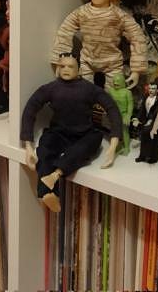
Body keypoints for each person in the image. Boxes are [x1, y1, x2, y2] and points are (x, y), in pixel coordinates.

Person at [21, 54, 122, 213]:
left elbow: (112, 108)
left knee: (88, 144)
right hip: (58, 133)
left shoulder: (89, 89)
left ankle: (55, 175)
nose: (66, 69)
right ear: (57, 69)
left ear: (79, 70)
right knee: (44, 151)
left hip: (84, 134)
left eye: (71, 66)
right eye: (62, 66)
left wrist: (114, 143)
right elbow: (30, 108)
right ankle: (48, 193)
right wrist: (28, 144)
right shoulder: (51, 88)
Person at [51, 0, 148, 88]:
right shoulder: (82, 12)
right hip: (87, 60)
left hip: (112, 62)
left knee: (114, 93)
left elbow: (137, 36)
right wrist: (61, 60)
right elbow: (65, 30)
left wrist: (136, 69)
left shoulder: (118, 15)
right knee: (84, 90)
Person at [133, 82, 158, 163]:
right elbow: (142, 109)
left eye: (153, 89)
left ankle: (153, 158)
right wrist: (137, 118)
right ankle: (142, 156)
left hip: (156, 122)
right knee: (144, 138)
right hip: (145, 121)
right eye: (150, 88)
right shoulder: (145, 97)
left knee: (154, 140)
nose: (151, 90)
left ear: (157, 90)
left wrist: (152, 120)